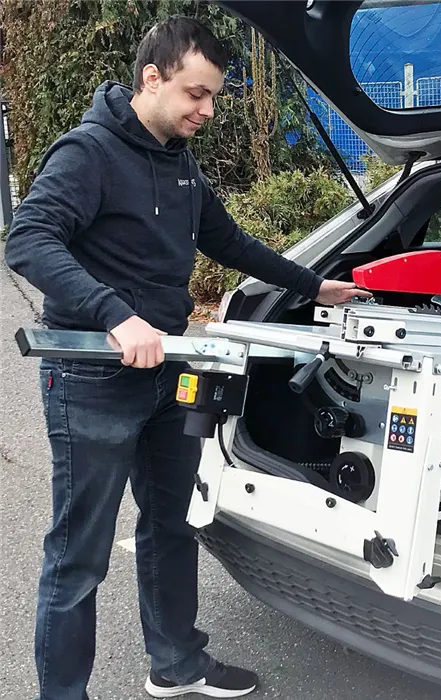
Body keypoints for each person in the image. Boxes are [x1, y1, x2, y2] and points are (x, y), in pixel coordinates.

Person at [4, 15, 369, 700]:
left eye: (213, 97)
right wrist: (116, 315)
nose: (206, 109)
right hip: (93, 377)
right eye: (195, 93)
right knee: (79, 555)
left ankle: (175, 662)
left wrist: (313, 285)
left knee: (172, 525)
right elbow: (27, 240)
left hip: (168, 369)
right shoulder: (87, 153)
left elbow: (227, 241)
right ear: (152, 78)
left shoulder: (179, 162)